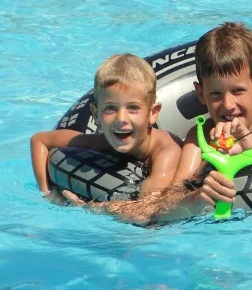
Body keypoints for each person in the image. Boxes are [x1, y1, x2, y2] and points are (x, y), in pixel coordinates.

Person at [90, 23, 252, 224]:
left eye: (238, 91)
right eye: (215, 94)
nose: (227, 105)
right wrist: (197, 195)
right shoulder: (199, 136)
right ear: (201, 94)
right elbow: (168, 199)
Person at [30, 53, 182, 202]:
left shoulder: (166, 151)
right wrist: (48, 193)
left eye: (133, 108)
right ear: (96, 114)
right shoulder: (101, 142)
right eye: (110, 108)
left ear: (152, 113)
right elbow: (39, 140)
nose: (121, 118)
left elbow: (147, 213)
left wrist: (89, 208)